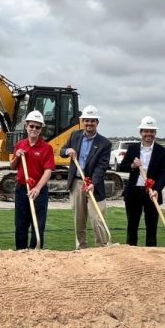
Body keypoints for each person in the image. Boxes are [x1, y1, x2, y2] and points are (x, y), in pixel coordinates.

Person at [59, 105, 111, 249]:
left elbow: (102, 166)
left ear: (97, 123)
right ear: (83, 121)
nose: (89, 124)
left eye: (92, 121)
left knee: (97, 219)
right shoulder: (75, 135)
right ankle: (81, 249)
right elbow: (62, 151)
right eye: (87, 120)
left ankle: (101, 248)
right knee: (79, 220)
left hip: (94, 185)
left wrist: (93, 182)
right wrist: (67, 150)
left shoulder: (105, 143)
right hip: (76, 183)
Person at [119, 116, 165, 247]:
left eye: (151, 131)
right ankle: (131, 252)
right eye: (146, 131)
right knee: (132, 225)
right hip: (134, 192)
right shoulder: (133, 149)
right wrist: (132, 166)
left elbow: (164, 174)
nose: (149, 134)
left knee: (152, 226)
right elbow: (122, 166)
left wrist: (157, 190)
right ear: (141, 132)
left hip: (152, 193)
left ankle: (151, 254)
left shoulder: (162, 151)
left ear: (155, 133)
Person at [11, 110, 54, 250]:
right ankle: (20, 254)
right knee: (20, 224)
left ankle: (36, 253)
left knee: (38, 225)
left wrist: (37, 188)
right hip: (22, 189)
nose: (34, 129)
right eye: (32, 126)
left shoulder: (46, 148)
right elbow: (12, 166)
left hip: (38, 191)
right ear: (26, 126)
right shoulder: (20, 144)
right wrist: (17, 156)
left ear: (41, 129)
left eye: (37, 127)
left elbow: (48, 170)